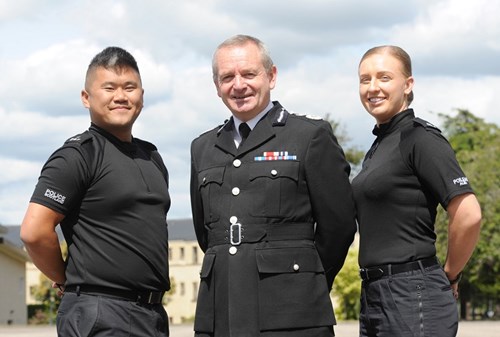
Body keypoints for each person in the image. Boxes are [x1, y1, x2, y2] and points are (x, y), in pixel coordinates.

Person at [190, 34, 356, 337]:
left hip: (293, 314)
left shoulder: (309, 136)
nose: (238, 85)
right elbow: (207, 233)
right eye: (227, 77)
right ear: (217, 86)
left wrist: (304, 278)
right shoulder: (202, 148)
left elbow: (339, 226)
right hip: (221, 314)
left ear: (272, 76)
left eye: (249, 73)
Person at [20, 46, 171, 337]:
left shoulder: (151, 157)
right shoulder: (77, 156)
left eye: (130, 87)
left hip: (150, 315)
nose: (121, 96)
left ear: (142, 94)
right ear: (86, 98)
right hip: (101, 314)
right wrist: (65, 278)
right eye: (109, 87)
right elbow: (34, 231)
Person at [352, 45, 482, 337]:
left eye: (384, 77)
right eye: (364, 79)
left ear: (407, 84)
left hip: (413, 293)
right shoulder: (379, 145)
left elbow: (469, 214)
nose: (373, 87)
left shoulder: (420, 138)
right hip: (375, 295)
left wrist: (449, 274)